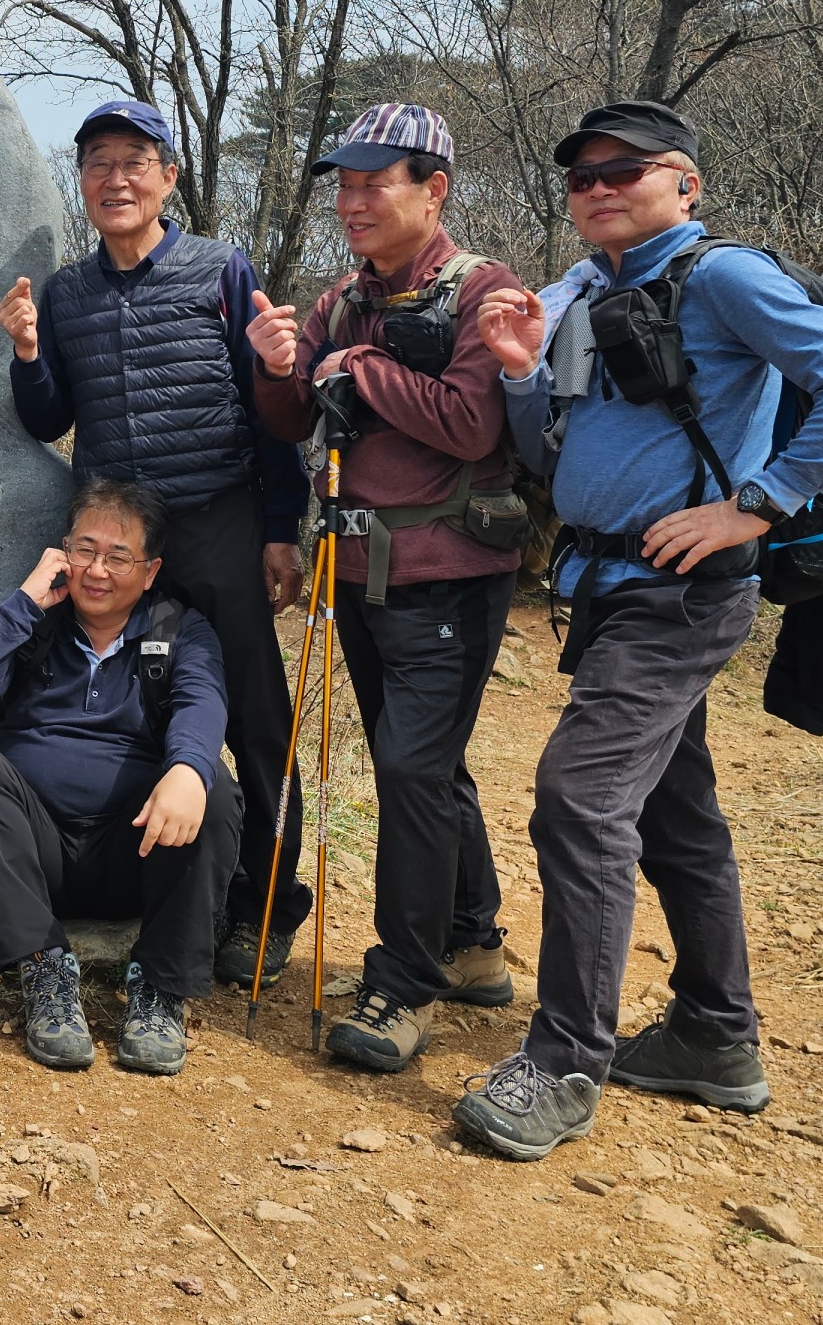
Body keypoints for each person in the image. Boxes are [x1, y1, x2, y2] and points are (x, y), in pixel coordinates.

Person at [455, 100, 823, 1158]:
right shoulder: (588, 292)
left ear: (684, 183)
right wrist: (523, 368)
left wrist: (758, 501)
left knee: (579, 797)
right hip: (612, 585)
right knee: (676, 812)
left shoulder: (722, 276)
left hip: (680, 595)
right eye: (582, 177)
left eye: (627, 170)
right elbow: (547, 442)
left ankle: (567, 1061)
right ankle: (714, 1034)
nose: (601, 187)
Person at [0, 96, 310, 992]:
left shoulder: (219, 270)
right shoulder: (65, 293)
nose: (116, 178)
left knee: (256, 716)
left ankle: (266, 902)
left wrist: (280, 531)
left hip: (218, 518)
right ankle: (150, 877)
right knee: (116, 702)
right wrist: (27, 352)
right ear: (83, 183)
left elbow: (269, 412)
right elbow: (49, 416)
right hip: (117, 539)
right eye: (98, 163)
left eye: (136, 161)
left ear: (169, 176)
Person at [247, 104, 525, 1074]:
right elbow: (289, 419)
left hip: (450, 580)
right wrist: (281, 367)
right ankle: (474, 941)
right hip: (358, 572)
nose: (352, 201)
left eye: (376, 183)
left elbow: (471, 424)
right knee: (428, 768)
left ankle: (403, 984)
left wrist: (357, 370)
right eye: (345, 184)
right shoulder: (344, 298)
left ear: (434, 188)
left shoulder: (481, 291)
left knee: (409, 771)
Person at [0, 479, 238, 1077]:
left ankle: (159, 989)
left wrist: (189, 769)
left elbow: (204, 701)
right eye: (85, 549)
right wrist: (21, 604)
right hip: (32, 858)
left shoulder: (180, 629)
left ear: (150, 572)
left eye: (119, 556)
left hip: (138, 850)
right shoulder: (33, 623)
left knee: (212, 784)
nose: (97, 570)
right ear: (62, 552)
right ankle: (44, 968)